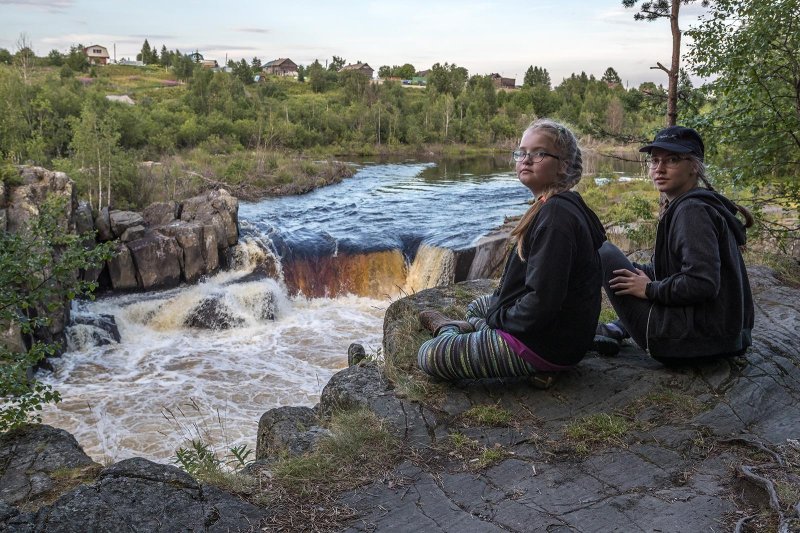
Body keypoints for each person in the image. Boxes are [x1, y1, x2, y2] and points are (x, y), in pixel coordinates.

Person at [416, 119, 606, 386]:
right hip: (556, 332)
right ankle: (479, 330)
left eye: (538, 153)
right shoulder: (552, 204)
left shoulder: (556, 216)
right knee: (478, 306)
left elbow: (542, 302)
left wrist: (497, 321)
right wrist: (497, 313)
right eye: (521, 152)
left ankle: (448, 329)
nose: (526, 159)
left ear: (563, 165)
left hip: (545, 344)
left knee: (429, 355)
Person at [594, 126, 754, 364]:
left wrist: (648, 289)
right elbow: (669, 270)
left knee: (601, 250)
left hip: (691, 341)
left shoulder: (692, 211)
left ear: (694, 167)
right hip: (716, 337)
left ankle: (570, 330)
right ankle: (617, 329)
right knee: (619, 262)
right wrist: (636, 272)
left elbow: (702, 283)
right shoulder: (694, 205)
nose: (659, 168)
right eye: (655, 160)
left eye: (673, 160)